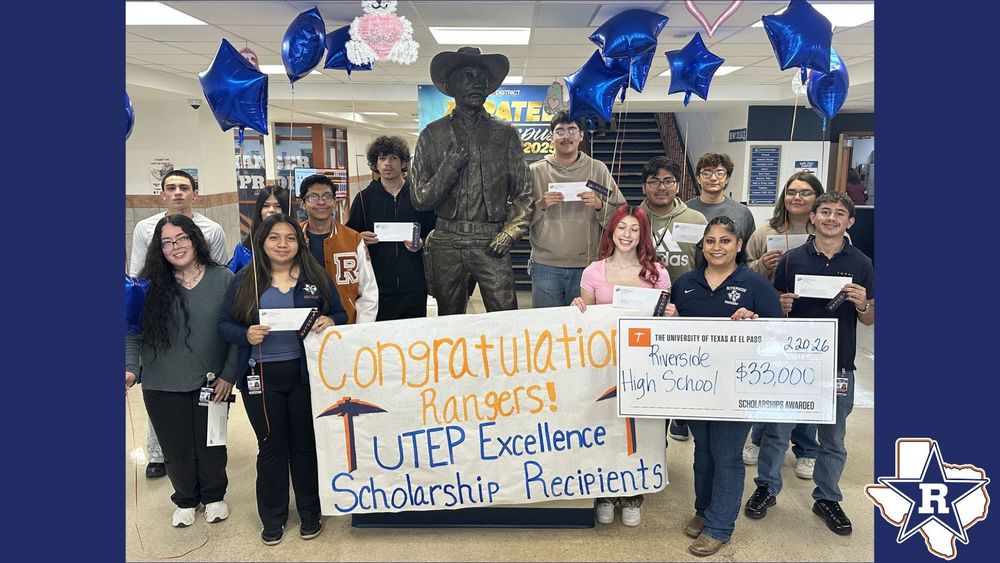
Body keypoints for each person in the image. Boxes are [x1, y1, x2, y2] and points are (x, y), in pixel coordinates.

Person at [744, 192, 874, 536]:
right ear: (813, 217)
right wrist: (781, 304)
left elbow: (870, 318)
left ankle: (828, 497)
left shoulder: (861, 263)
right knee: (777, 432)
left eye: (839, 213)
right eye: (825, 212)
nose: (831, 218)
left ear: (850, 221)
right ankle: (767, 487)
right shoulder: (790, 260)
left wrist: (862, 305)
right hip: (793, 363)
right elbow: (775, 309)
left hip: (837, 365)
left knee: (833, 437)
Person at [218, 214, 348, 546]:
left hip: (305, 376)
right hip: (260, 377)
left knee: (305, 447)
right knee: (272, 448)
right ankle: (273, 517)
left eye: (290, 238)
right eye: (274, 238)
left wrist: (330, 320)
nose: (282, 244)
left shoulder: (315, 277)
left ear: (299, 242)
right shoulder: (245, 280)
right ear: (262, 242)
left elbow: (341, 312)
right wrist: (245, 332)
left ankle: (310, 512)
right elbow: (224, 326)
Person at [670, 216, 783, 557]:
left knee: (727, 455)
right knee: (702, 452)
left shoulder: (755, 284)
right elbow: (673, 333)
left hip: (737, 388)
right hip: (696, 386)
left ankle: (720, 526)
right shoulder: (686, 282)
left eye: (724, 241)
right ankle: (703, 510)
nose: (717, 247)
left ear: (738, 246)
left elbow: (778, 337)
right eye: (710, 241)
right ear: (701, 246)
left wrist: (756, 321)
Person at [125, 214, 237, 527]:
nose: (176, 247)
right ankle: (186, 499)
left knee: (211, 445)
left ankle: (214, 496)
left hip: (212, 382)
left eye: (182, 238)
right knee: (176, 449)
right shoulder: (145, 287)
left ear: (195, 239)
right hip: (162, 383)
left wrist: (229, 374)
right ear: (159, 250)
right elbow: (132, 334)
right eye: (167, 243)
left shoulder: (223, 278)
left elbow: (237, 331)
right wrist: (130, 370)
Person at [410, 46, 534, 315]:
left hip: (491, 242)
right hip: (446, 242)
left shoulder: (505, 134)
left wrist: (510, 232)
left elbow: (525, 194)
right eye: (467, 75)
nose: (476, 83)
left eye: (481, 77)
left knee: (506, 317)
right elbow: (420, 199)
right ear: (451, 84)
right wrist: (447, 170)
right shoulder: (432, 135)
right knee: (449, 320)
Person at [572, 206, 673, 527]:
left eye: (634, 229)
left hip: (645, 362)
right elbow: (585, 315)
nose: (627, 235)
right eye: (622, 228)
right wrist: (578, 307)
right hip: (603, 361)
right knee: (605, 424)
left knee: (639, 427)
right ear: (611, 231)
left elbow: (666, 319)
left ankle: (632, 492)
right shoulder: (594, 271)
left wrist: (672, 314)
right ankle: (605, 490)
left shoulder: (657, 272)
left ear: (643, 234)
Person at [130, 169, 229, 479]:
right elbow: (137, 279)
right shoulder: (146, 228)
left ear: (194, 194)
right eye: (170, 187)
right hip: (164, 318)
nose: (177, 193)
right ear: (162, 194)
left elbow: (220, 274)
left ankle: (211, 483)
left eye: (183, 188)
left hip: (203, 336)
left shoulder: (212, 229)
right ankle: (158, 454)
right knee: (165, 404)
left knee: (206, 428)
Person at [742, 172, 824, 477]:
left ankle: (806, 447)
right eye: (791, 192)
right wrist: (763, 265)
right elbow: (742, 268)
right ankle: (759, 437)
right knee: (771, 380)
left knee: (808, 383)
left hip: (815, 320)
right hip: (773, 317)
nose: (797, 198)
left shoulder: (827, 227)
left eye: (805, 192)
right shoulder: (767, 230)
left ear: (817, 197)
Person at [638, 156, 707, 443]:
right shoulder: (634, 217)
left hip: (686, 305)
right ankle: (653, 439)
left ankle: (677, 419)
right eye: (654, 181)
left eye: (668, 181)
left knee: (677, 372)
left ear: (678, 185)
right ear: (644, 187)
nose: (661, 187)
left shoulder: (696, 219)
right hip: (644, 308)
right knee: (647, 374)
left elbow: (706, 262)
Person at [528, 111, 625, 308]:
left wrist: (599, 205)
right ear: (551, 137)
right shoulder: (535, 171)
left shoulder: (596, 170)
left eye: (572, 130)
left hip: (587, 265)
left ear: (581, 136)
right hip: (545, 264)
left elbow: (621, 215)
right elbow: (518, 215)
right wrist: (541, 205)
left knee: (581, 331)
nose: (566, 136)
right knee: (548, 327)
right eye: (560, 131)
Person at [346, 135, 437, 320]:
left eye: (393, 158)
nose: (388, 163)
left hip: (414, 284)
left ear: (403, 162)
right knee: (380, 343)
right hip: (377, 286)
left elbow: (436, 232)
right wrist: (359, 239)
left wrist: (422, 242)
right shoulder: (364, 198)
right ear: (375, 163)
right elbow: (349, 236)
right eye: (382, 158)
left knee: (413, 343)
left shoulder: (420, 197)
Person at [299, 174, 378, 323]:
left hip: (345, 326)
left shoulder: (353, 239)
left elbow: (368, 291)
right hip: (302, 327)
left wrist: (361, 329)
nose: (322, 202)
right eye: (313, 197)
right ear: (302, 203)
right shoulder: (293, 238)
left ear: (335, 202)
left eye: (327, 196)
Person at [685, 152, 756, 243]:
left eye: (719, 173)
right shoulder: (686, 209)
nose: (713, 178)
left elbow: (749, 252)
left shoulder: (742, 213)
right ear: (698, 178)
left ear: (727, 179)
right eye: (707, 173)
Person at [227, 186, 291, 272]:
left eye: (278, 206)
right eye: (266, 205)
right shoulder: (244, 251)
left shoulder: (297, 243)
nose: (272, 210)